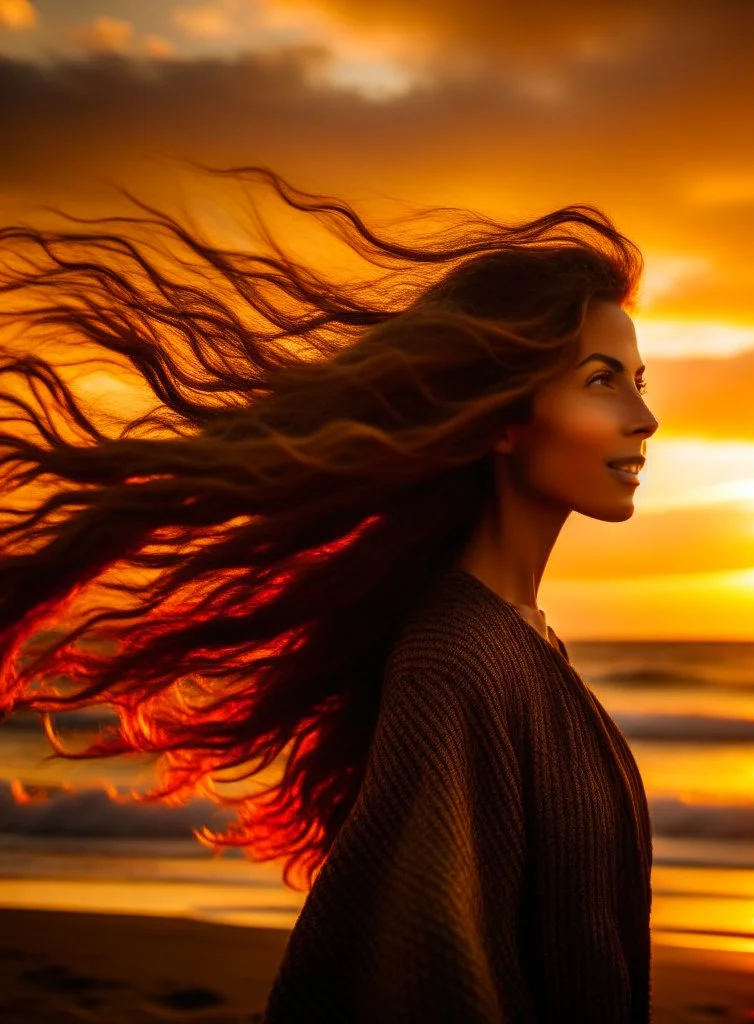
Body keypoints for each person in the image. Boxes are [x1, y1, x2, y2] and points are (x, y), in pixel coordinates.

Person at [0, 164, 658, 1021]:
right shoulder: (458, 662)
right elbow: (424, 973)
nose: (643, 419)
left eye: (640, 383)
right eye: (603, 380)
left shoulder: (518, 641)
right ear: (502, 415)